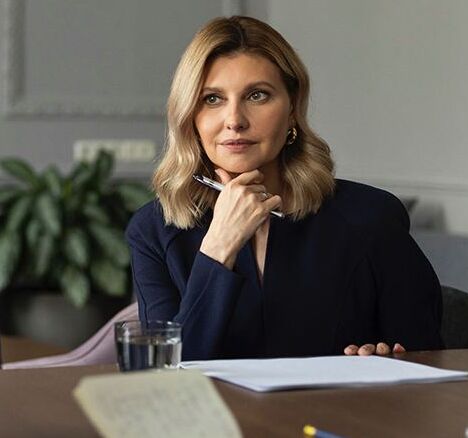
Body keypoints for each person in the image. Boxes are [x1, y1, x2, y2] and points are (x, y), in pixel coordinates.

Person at [126, 16, 443, 361]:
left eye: (257, 95)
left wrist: (385, 358)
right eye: (212, 99)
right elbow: (164, 371)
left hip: (339, 399)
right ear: (190, 116)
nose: (235, 120)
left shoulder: (372, 217)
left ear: (292, 107)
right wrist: (219, 246)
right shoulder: (152, 230)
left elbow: (427, 357)